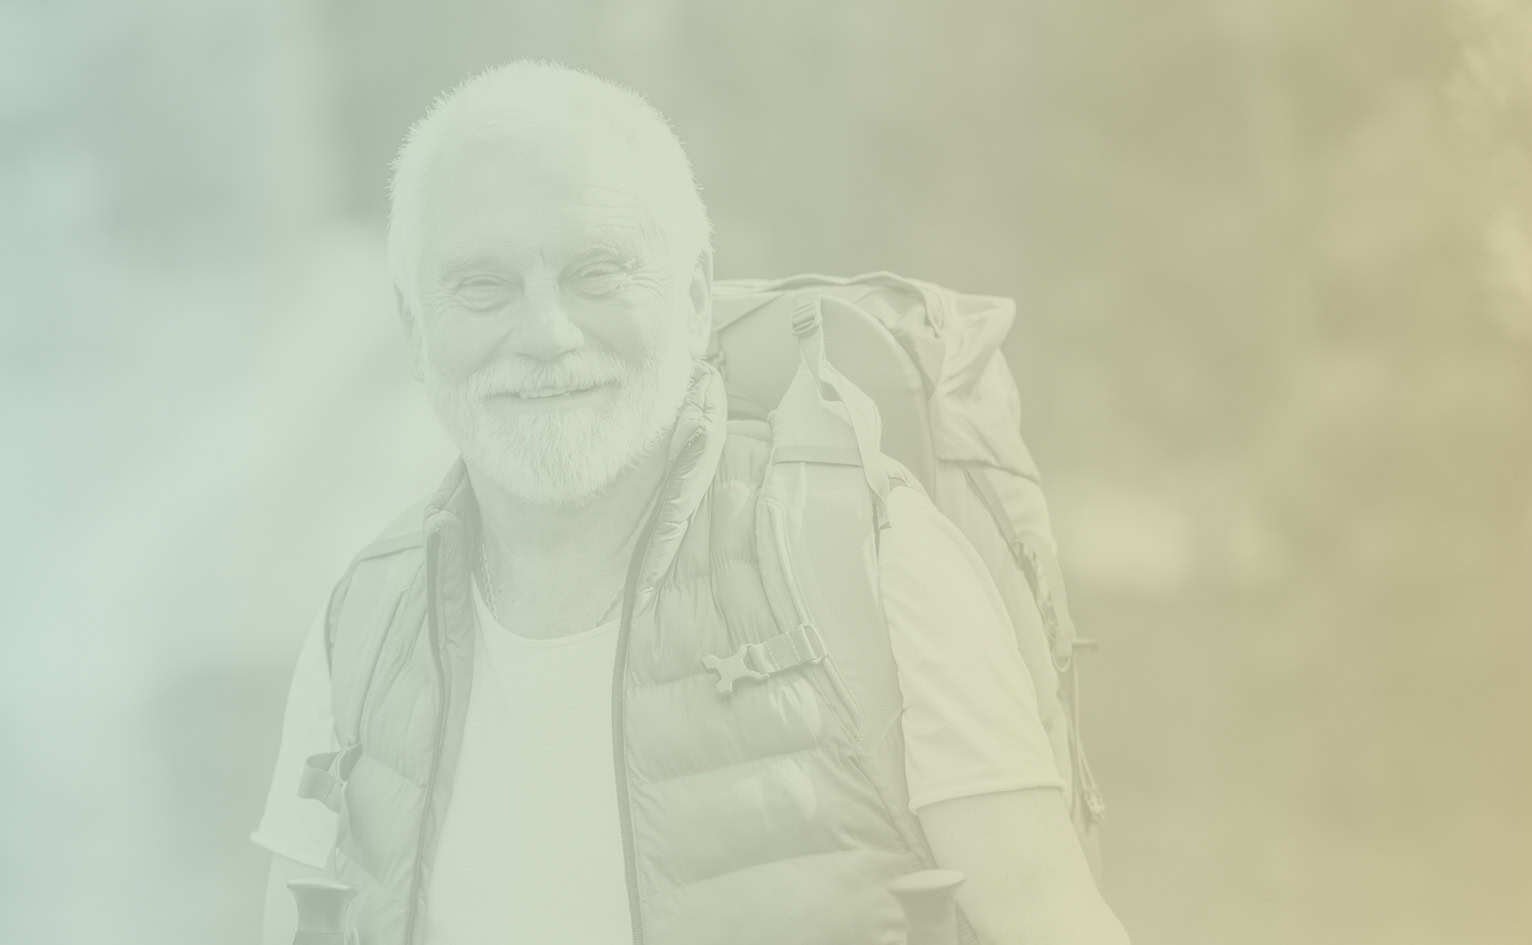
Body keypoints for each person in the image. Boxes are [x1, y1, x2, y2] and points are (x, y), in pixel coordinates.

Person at [254, 60, 1128, 945]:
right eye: (484, 287)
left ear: (696, 292)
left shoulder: (864, 552)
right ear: (414, 326)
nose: (547, 334)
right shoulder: (361, 627)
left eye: (597, 274)